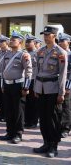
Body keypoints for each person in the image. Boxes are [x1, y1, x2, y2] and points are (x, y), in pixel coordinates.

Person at [33, 26, 67, 158]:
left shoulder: (60, 52)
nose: (45, 37)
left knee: (53, 119)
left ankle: (54, 146)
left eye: (48, 35)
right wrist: (35, 88)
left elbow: (63, 74)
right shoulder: (40, 51)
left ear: (54, 36)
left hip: (53, 89)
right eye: (44, 35)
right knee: (43, 118)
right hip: (40, 88)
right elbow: (37, 71)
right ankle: (46, 143)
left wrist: (61, 92)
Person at [0, 31, 32, 144]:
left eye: (14, 39)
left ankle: (18, 133)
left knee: (18, 110)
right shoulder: (6, 54)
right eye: (11, 39)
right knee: (8, 110)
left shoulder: (24, 54)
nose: (11, 41)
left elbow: (29, 71)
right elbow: (3, 71)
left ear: (20, 42)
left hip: (18, 85)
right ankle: (10, 132)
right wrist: (2, 85)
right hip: (7, 85)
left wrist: (26, 87)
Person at [24, 34, 39, 129]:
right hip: (25, 80)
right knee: (26, 101)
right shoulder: (24, 53)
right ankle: (27, 120)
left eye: (29, 42)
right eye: (26, 42)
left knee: (34, 102)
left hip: (34, 80)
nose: (27, 44)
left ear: (34, 43)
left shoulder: (38, 53)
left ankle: (33, 121)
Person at [0, 35, 10, 122]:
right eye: (0, 42)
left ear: (6, 43)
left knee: (5, 97)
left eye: (2, 42)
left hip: (5, 77)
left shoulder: (9, 52)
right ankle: (1, 114)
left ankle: (6, 115)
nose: (0, 43)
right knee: (0, 96)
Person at [58, 33, 71, 138]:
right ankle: (59, 125)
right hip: (57, 83)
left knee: (66, 106)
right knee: (58, 106)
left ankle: (66, 128)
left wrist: (67, 86)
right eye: (60, 41)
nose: (60, 43)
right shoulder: (58, 53)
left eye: (63, 41)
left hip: (67, 84)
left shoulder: (70, 55)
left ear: (69, 42)